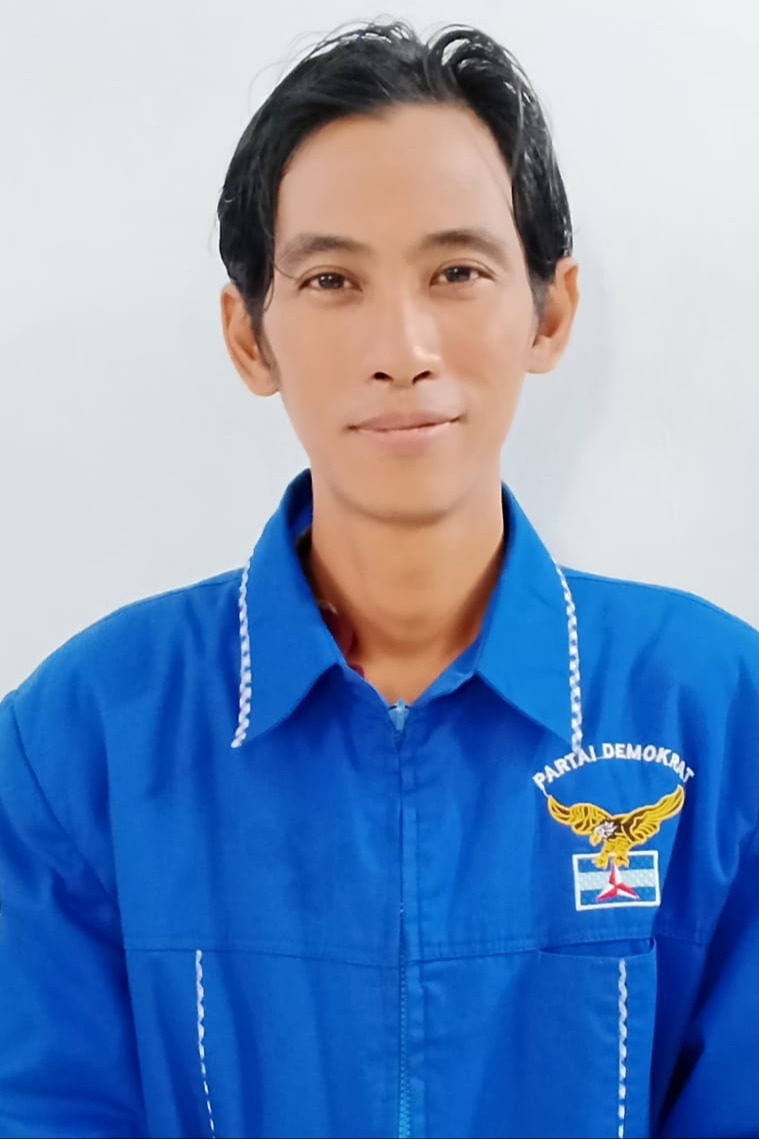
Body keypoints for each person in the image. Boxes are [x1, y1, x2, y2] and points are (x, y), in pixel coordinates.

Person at [0, 16, 757, 1139]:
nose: (402, 347)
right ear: (248, 338)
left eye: (457, 271)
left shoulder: (721, 712)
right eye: (331, 279)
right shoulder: (82, 739)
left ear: (550, 310)